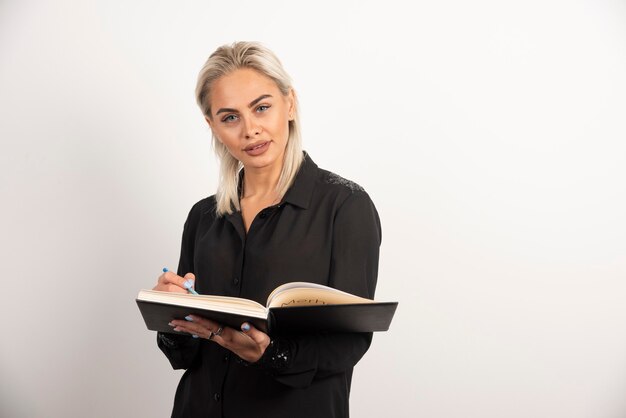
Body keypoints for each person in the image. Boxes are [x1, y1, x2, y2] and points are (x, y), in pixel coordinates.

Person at [152, 41, 381, 418]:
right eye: (230, 117)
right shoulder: (202, 217)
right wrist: (171, 314)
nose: (250, 130)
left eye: (261, 107)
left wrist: (271, 353)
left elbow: (350, 342)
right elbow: (185, 355)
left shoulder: (345, 207)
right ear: (212, 126)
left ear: (289, 104)